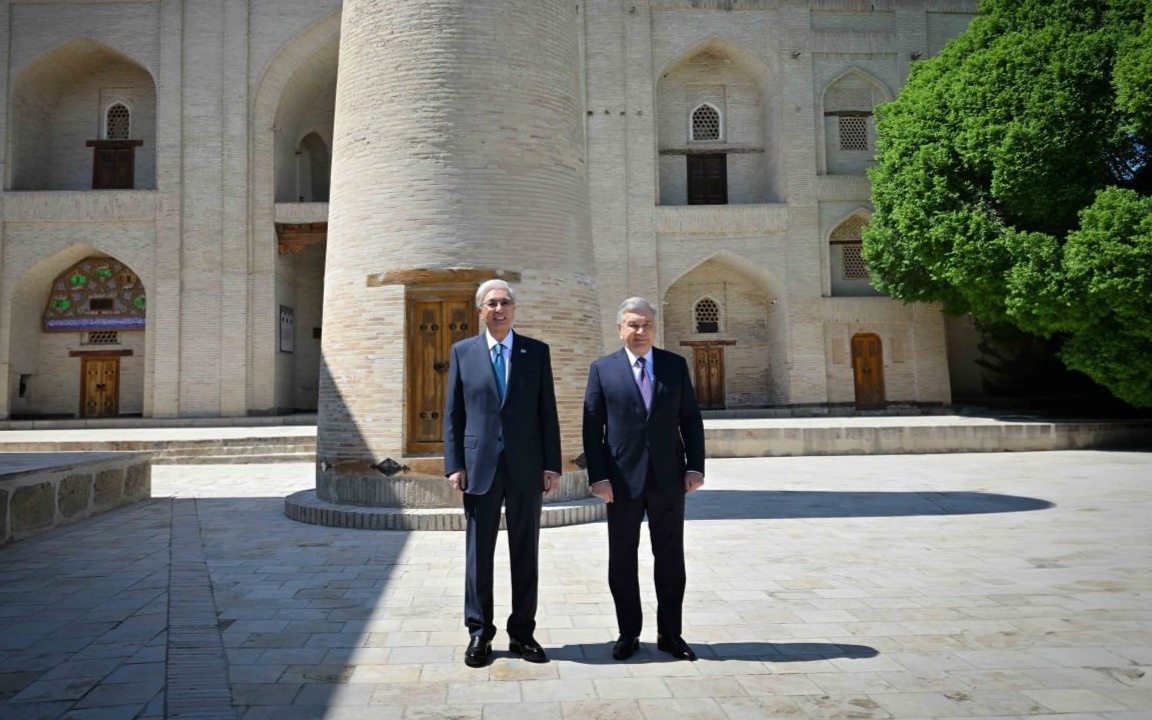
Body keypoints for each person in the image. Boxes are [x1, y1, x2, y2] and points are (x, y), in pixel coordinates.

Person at [444, 279, 562, 667]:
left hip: (527, 468)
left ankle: (523, 633)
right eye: (491, 303)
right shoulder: (464, 352)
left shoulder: (536, 352)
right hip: (480, 469)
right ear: (480, 310)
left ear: (514, 309)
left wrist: (552, 465)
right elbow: (454, 415)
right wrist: (454, 464)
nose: (499, 309)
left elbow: (548, 413)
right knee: (479, 554)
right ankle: (479, 633)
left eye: (505, 302)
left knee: (525, 552)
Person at [582, 296, 706, 661]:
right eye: (633, 325)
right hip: (620, 482)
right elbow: (593, 429)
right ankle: (627, 633)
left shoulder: (674, 365)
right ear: (620, 328)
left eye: (646, 325)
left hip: (668, 478)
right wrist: (599, 477)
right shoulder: (603, 369)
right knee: (622, 558)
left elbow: (691, 420)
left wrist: (695, 466)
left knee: (670, 558)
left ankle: (671, 634)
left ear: (655, 328)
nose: (640, 331)